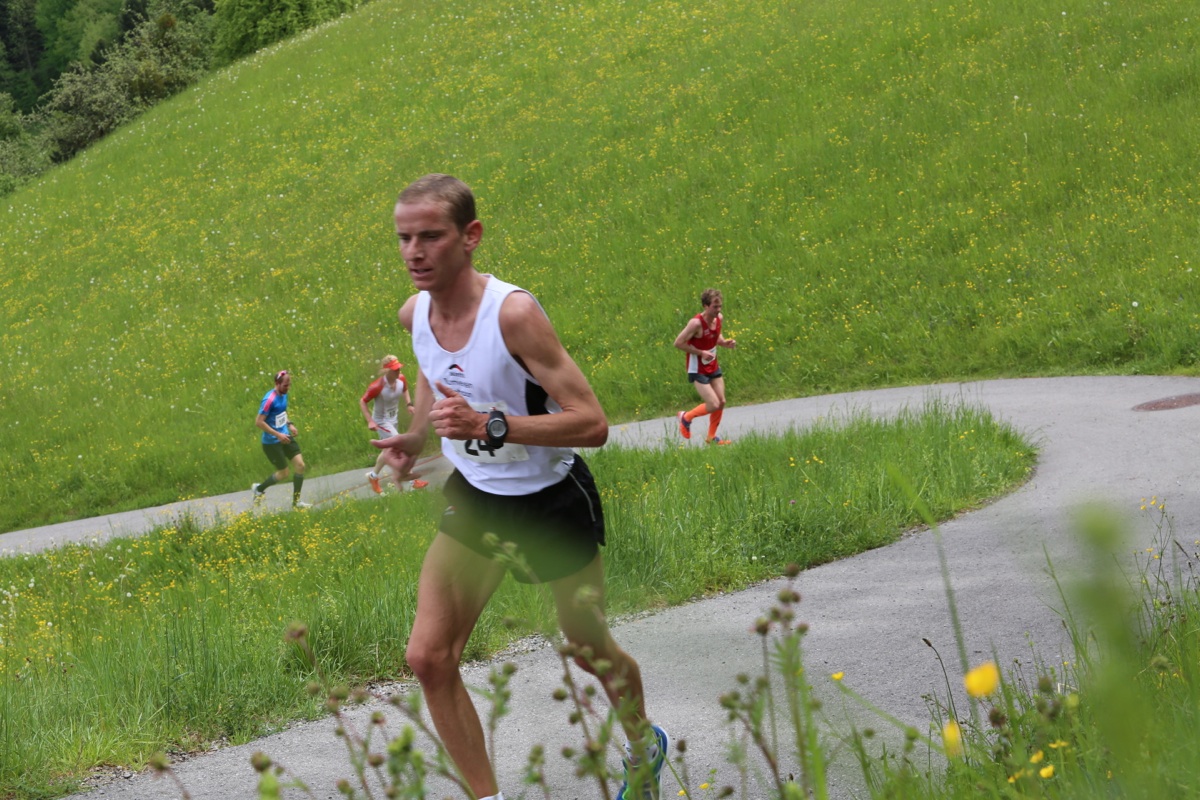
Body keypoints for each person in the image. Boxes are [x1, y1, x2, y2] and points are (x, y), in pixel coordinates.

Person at [372, 174, 668, 800]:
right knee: (428, 657)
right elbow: (430, 368)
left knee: (586, 647)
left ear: (471, 236)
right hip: (479, 497)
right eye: (403, 238)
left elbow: (592, 423)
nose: (413, 252)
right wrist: (418, 435)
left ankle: (644, 745)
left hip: (551, 499)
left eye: (430, 236)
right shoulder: (415, 312)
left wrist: (489, 424)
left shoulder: (513, 314)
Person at [673, 288, 736, 445]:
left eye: (720, 306)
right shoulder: (696, 324)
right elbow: (678, 343)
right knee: (713, 404)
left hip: (712, 364)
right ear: (705, 306)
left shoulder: (719, 318)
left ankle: (711, 437)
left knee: (721, 401)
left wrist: (725, 343)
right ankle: (686, 417)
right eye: (715, 307)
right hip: (697, 368)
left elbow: (716, 337)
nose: (718, 310)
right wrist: (700, 353)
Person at [360, 355, 428, 492]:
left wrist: (409, 404)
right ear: (387, 371)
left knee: (388, 450)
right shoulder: (377, 386)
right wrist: (370, 421)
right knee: (401, 445)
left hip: (393, 419)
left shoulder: (401, 379)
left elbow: (405, 389)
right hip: (381, 421)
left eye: (398, 368)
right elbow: (362, 401)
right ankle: (412, 481)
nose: (398, 371)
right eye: (395, 369)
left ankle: (373, 476)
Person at [251, 370, 309, 509]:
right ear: (277, 384)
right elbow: (259, 422)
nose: (288, 388)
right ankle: (259, 489)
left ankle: (296, 503)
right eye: (285, 386)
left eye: (289, 385)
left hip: (285, 436)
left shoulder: (284, 394)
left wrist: (290, 424)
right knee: (284, 473)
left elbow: (281, 412)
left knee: (300, 465)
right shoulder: (269, 400)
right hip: (272, 443)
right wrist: (278, 435)